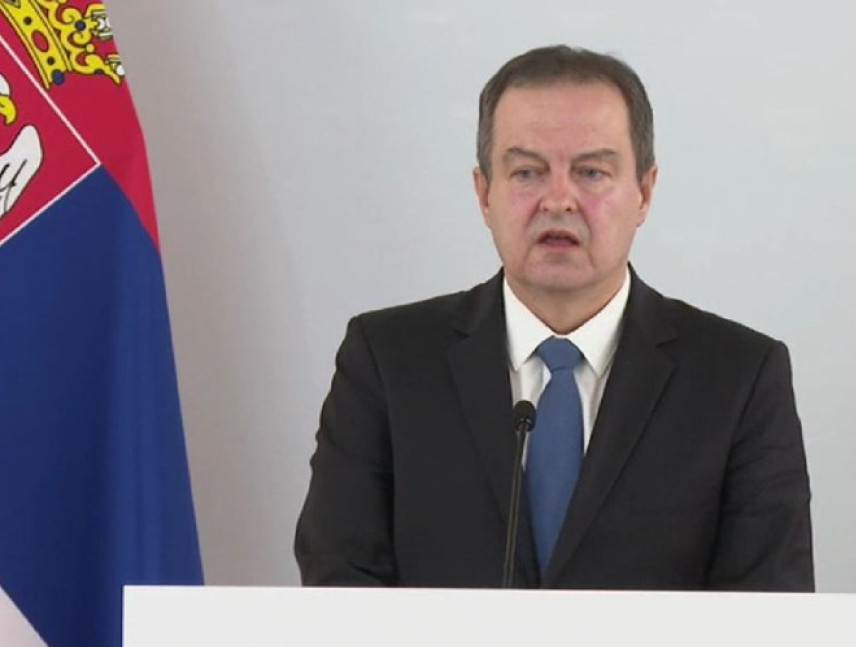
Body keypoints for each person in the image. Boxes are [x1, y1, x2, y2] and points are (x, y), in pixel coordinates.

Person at [295, 45, 813, 591]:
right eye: (527, 172)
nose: (558, 200)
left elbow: (771, 606)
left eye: (591, 172)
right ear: (484, 194)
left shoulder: (738, 377)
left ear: (644, 193)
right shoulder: (387, 361)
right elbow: (339, 584)